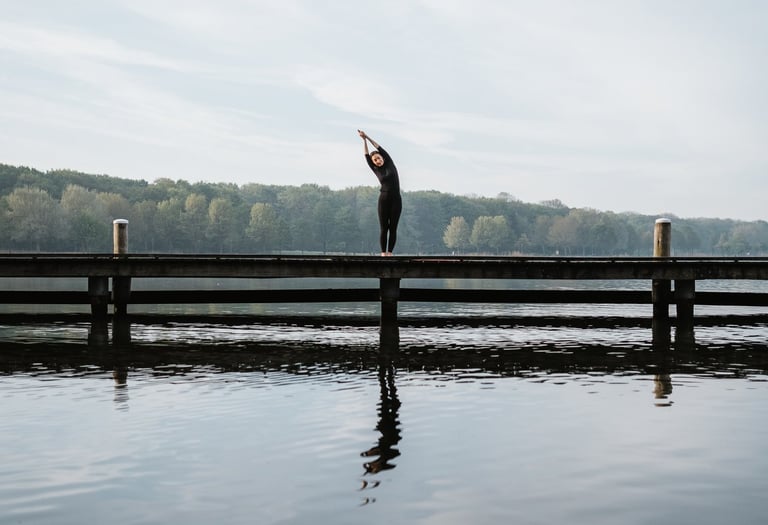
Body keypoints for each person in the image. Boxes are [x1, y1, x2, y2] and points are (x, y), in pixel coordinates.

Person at [358, 129, 402, 256]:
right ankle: (383, 253)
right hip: (383, 199)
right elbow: (366, 156)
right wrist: (363, 141)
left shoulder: (389, 162)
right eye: (375, 160)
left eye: (378, 158)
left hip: (396, 199)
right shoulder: (376, 169)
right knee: (384, 228)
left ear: (382, 157)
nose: (377, 160)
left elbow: (379, 147)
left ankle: (390, 253)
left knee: (393, 228)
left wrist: (367, 137)